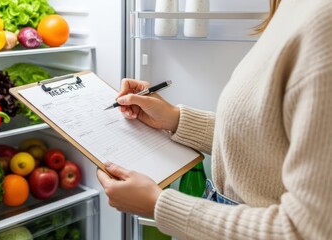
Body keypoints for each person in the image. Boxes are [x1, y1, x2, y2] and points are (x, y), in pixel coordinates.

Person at [96, 0, 332, 239]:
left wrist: (159, 205)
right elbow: (270, 135)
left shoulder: (324, 23)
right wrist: (176, 120)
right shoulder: (291, 7)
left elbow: (308, 231)